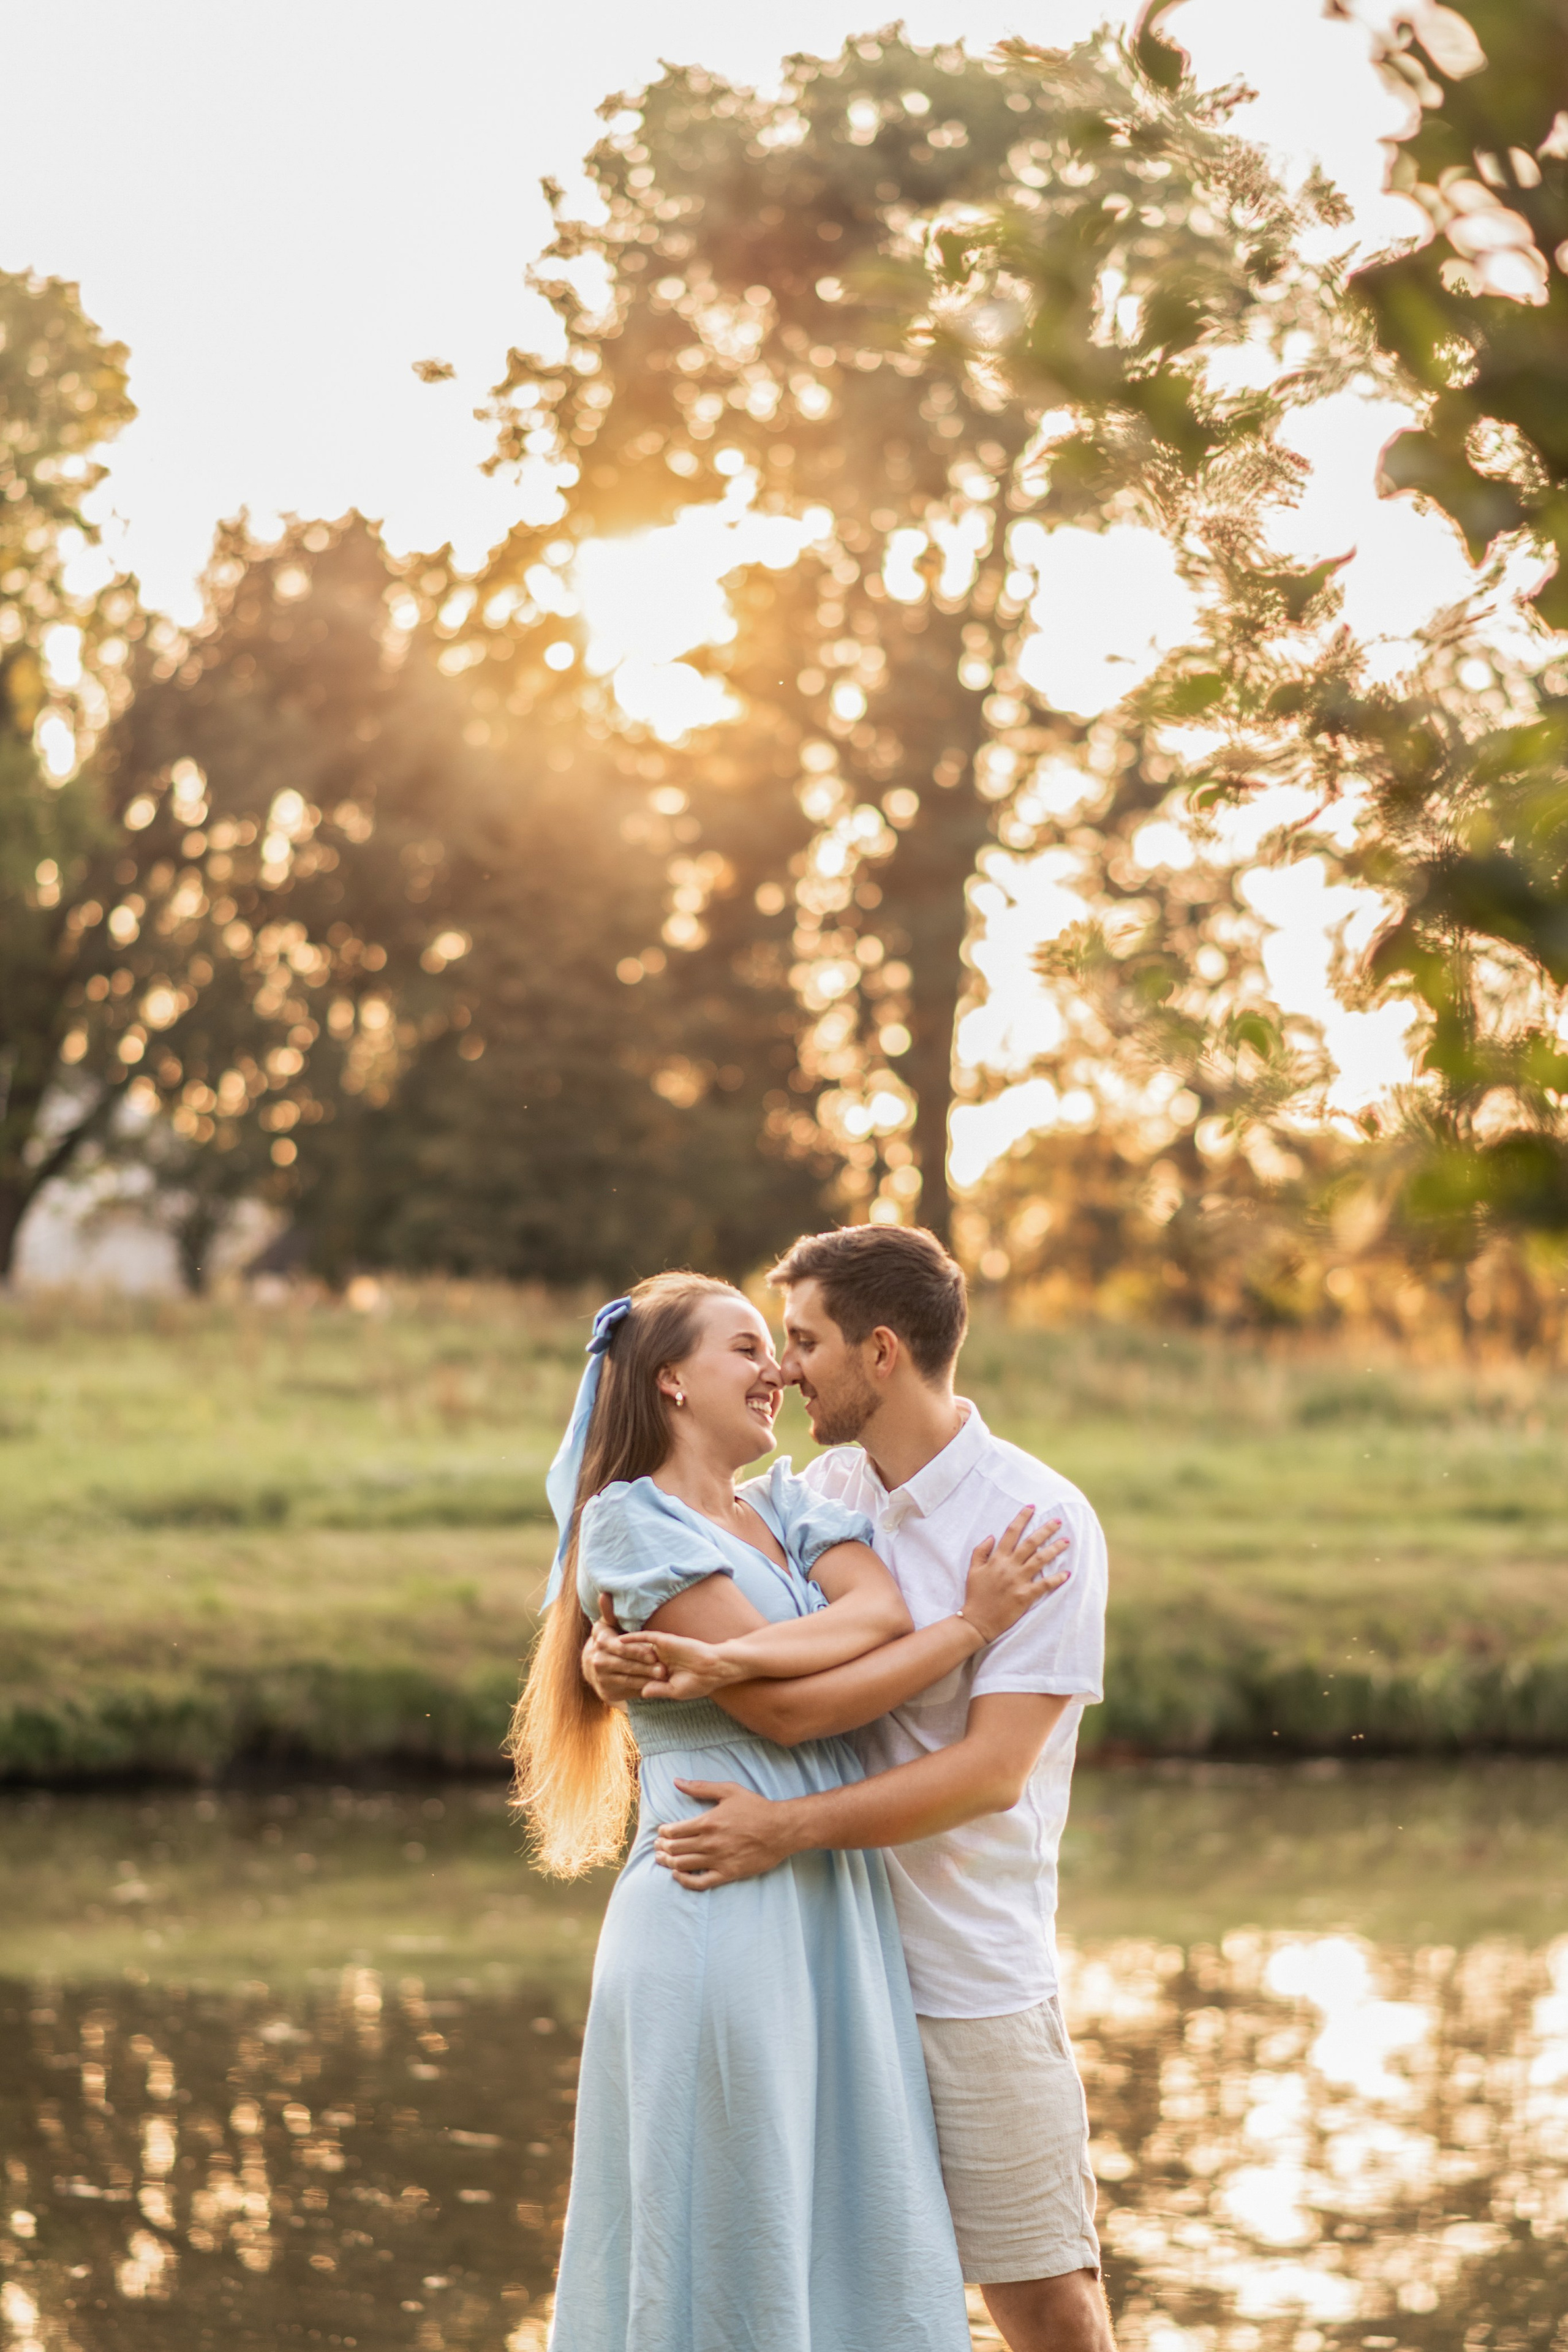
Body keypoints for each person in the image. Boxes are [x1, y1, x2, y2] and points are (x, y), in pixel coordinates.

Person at [510, 1268, 1068, 2352]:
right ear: (670, 1381)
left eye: (780, 1346)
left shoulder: (785, 1503)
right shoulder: (629, 1524)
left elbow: (880, 1611)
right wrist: (966, 1631)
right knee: (738, 2227)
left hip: (828, 1908)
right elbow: (792, 1713)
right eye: (746, 1347)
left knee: (852, 2222)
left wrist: (738, 1655)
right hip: (719, 1892)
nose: (775, 1370)